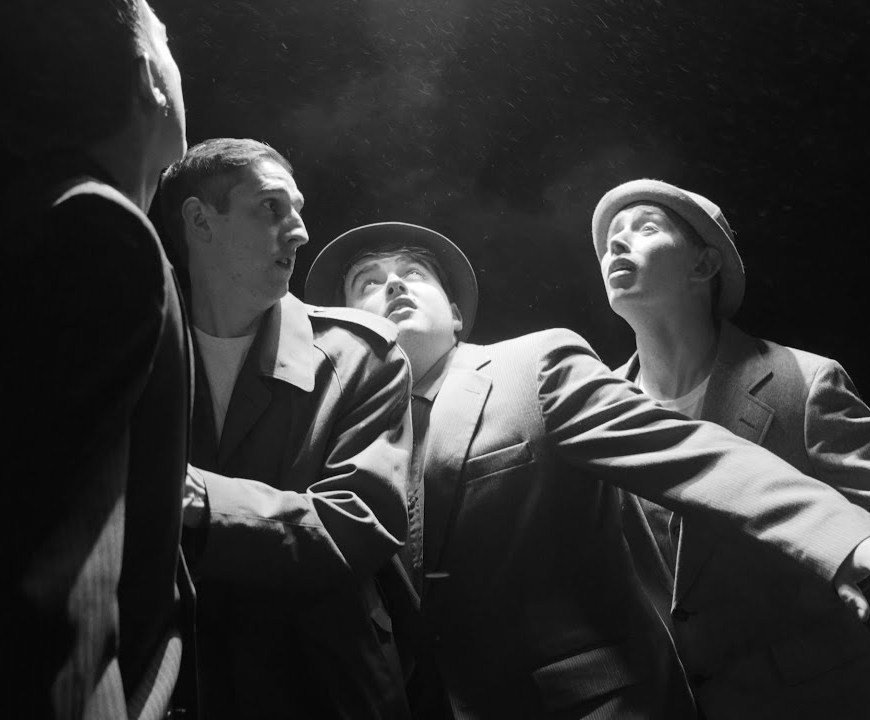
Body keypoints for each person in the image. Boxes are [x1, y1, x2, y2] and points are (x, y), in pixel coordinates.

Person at [305, 221, 870, 720]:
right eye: (368, 283)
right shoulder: (342, 445)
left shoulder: (531, 368)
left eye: (413, 273)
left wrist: (845, 539)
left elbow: (689, 451)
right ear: (347, 331)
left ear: (455, 314)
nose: (394, 285)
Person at [591, 178, 870, 719]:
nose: (616, 245)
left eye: (645, 228)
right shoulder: (595, 415)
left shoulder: (804, 382)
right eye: (609, 240)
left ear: (704, 264)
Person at [158, 138, 413, 719]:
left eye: (297, 209)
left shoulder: (359, 356)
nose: (299, 231)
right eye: (271, 208)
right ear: (201, 220)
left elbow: (356, 524)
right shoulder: (137, 349)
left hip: (324, 691)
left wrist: (198, 498)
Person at [0, 1, 194, 719]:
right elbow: (52, 600)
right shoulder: (94, 231)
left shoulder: (46, 211)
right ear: (148, 78)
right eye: (166, 41)